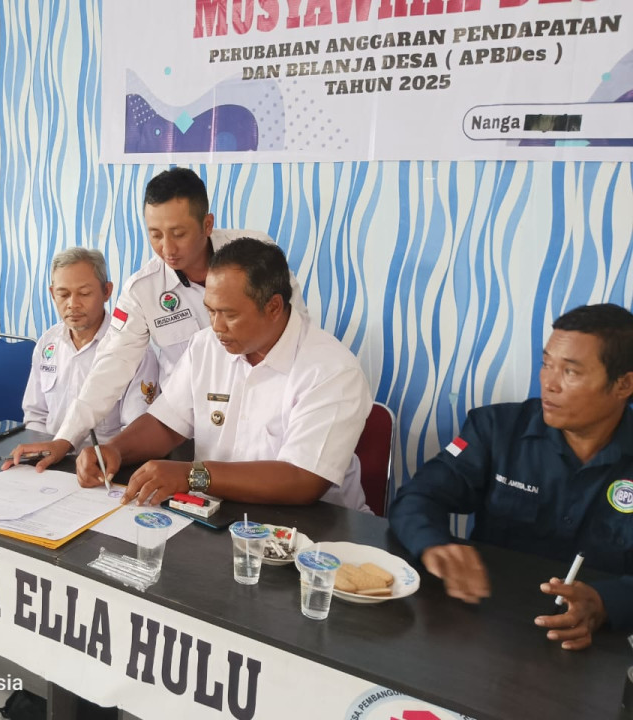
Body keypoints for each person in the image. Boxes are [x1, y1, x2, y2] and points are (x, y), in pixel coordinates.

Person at [7, 167, 307, 468]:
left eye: (179, 234)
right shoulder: (143, 290)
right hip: (187, 429)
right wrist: (66, 438)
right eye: (155, 235)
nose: (167, 248)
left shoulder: (255, 256)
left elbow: (296, 335)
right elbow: (111, 366)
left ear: (207, 224)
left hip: (268, 417)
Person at [389, 303, 633, 650]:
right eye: (546, 364)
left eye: (571, 372)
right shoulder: (496, 429)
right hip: (486, 631)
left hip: (596, 646)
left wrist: (605, 603)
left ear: (624, 385)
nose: (548, 383)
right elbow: (418, 495)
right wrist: (434, 543)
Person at [75, 237, 372, 509]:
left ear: (273, 307)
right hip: (217, 515)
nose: (216, 326)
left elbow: (302, 481)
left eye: (229, 314)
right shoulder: (206, 346)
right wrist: (114, 451)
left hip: (314, 531)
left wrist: (192, 476)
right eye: (211, 310)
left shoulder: (332, 370)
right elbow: (166, 423)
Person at [19, 248, 159, 448]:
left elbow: (135, 429)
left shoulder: (134, 350)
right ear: (52, 293)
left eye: (84, 293)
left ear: (106, 291)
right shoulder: (47, 343)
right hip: (50, 455)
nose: (73, 304)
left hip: (105, 460)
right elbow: (35, 414)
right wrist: (41, 453)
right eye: (63, 294)